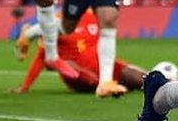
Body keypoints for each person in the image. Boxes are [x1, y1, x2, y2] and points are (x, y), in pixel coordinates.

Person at [11, 9, 147, 94]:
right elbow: (41, 57)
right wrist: (25, 86)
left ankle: (163, 82)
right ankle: (110, 85)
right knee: (69, 65)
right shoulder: (60, 21)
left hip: (101, 67)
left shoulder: (95, 17)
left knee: (138, 77)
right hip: (76, 71)